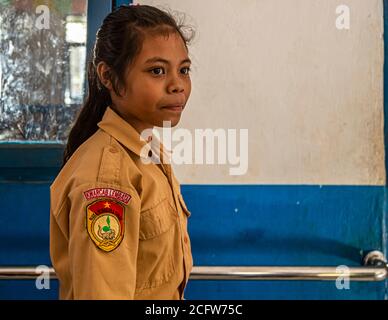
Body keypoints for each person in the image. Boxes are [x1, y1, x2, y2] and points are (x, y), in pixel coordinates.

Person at [49, 4, 194, 300]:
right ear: (108, 76)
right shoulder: (108, 181)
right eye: (157, 70)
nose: (177, 85)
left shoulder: (147, 151)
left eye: (184, 70)